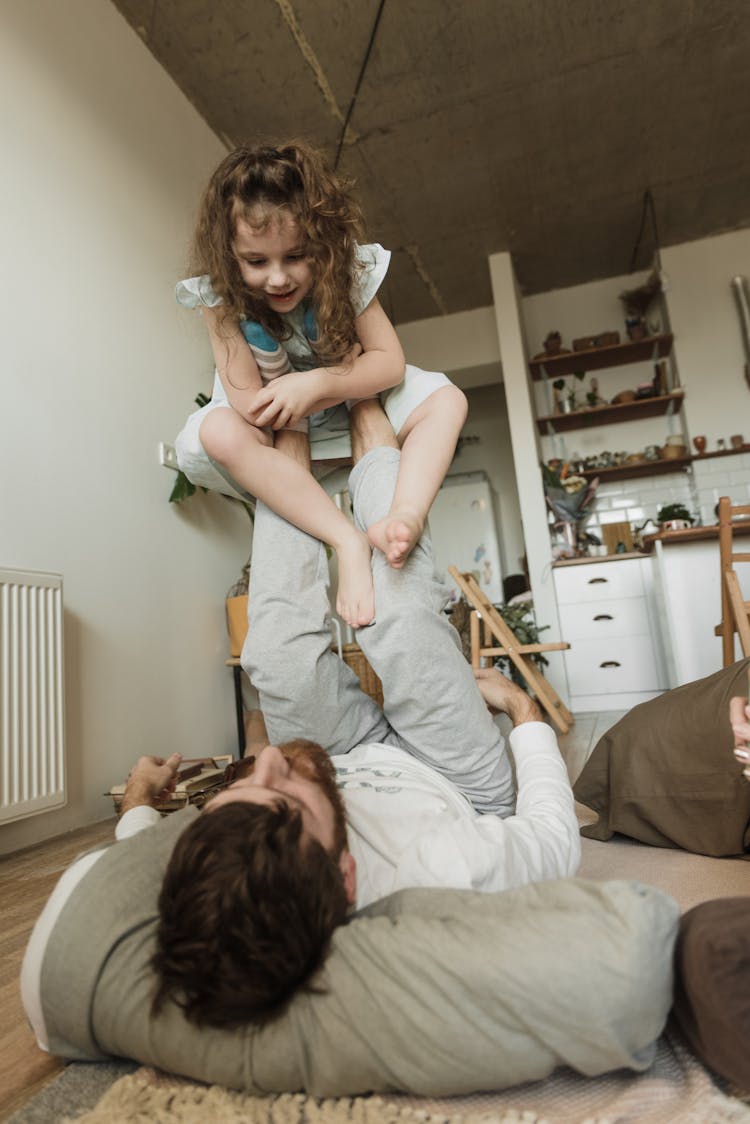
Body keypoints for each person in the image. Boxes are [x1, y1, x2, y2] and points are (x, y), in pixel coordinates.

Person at [21, 400, 579, 1044]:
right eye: (284, 794)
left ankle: (294, 421)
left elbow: (139, 856)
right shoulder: (444, 870)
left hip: (346, 754)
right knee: (395, 613)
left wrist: (142, 802)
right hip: (454, 780)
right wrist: (522, 712)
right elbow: (555, 840)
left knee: (274, 654)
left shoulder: (221, 876)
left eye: (244, 787)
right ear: (345, 877)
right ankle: (366, 397)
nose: (268, 762)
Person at [174, 140, 468, 628]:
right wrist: (302, 390)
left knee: (447, 399)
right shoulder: (219, 299)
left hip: (340, 400)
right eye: (256, 261)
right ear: (229, 256)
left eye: (296, 256)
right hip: (276, 425)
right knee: (215, 433)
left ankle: (406, 514)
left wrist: (316, 385)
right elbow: (251, 403)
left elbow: (389, 363)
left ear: (322, 245)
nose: (278, 278)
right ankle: (346, 540)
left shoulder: (348, 271)